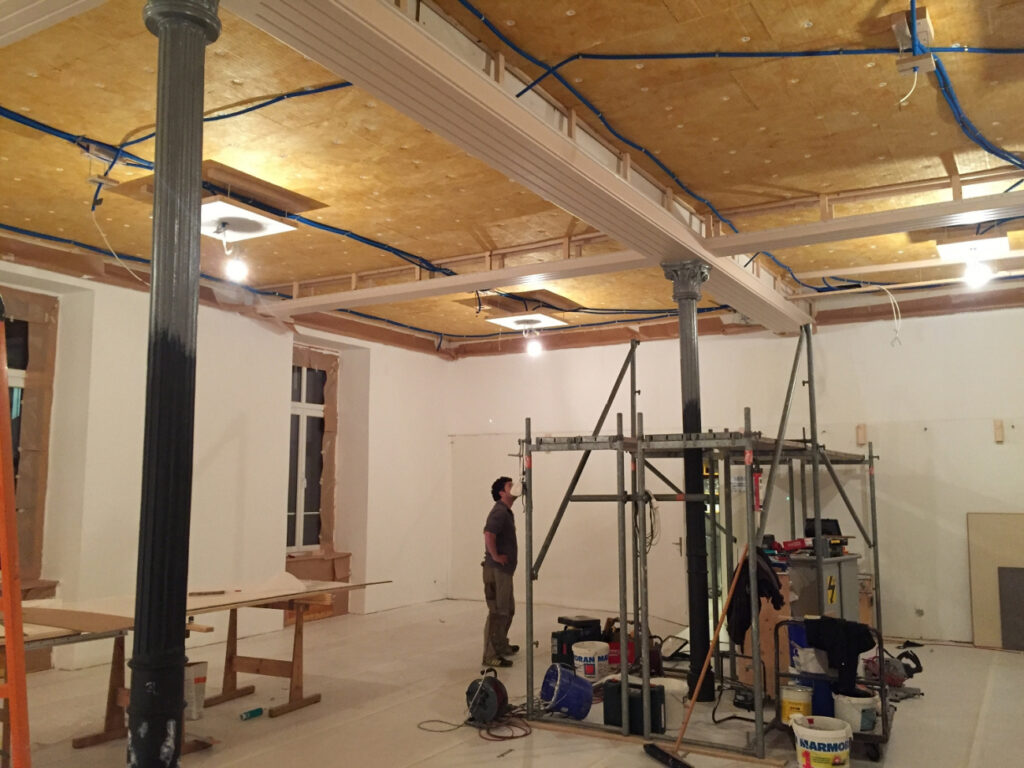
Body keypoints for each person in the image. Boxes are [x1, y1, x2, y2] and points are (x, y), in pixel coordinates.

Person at [482, 475, 521, 667]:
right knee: (498, 612)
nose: (513, 487)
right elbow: (489, 533)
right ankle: (490, 656)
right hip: (496, 570)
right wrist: (496, 556)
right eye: (509, 485)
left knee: (508, 610)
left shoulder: (506, 511)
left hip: (504, 571)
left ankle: (501, 645)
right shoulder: (499, 511)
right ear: (501, 493)